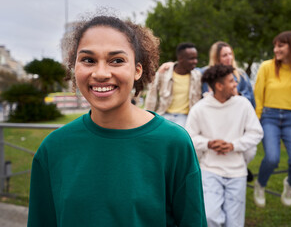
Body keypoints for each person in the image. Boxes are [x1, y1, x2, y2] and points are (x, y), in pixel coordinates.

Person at [27, 15, 207, 226]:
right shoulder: (53, 149)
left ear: (138, 70)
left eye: (117, 60)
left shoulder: (174, 143)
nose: (101, 73)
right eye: (88, 60)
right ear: (73, 67)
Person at [186, 65, 263, 227]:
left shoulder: (243, 104)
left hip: (237, 172)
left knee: (234, 223)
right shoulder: (200, 108)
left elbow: (256, 133)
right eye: (231, 81)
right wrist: (209, 144)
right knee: (210, 217)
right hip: (210, 169)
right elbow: (189, 138)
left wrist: (232, 146)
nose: (236, 83)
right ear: (219, 86)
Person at [253, 30, 291, 207]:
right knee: (271, 158)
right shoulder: (266, 67)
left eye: (281, 45)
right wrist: (256, 120)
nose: (276, 49)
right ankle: (260, 184)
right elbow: (258, 96)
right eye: (275, 46)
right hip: (269, 116)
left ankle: (290, 183)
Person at [157, 41, 255, 107]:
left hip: (234, 112)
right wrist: (172, 64)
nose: (229, 57)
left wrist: (236, 94)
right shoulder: (205, 73)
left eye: (230, 54)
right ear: (216, 58)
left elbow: (250, 100)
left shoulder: (240, 75)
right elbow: (187, 68)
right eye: (225, 55)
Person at [144, 42, 202, 127]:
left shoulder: (198, 76)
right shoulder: (163, 74)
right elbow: (152, 98)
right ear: (181, 58)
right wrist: (147, 118)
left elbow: (213, 69)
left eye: (196, 58)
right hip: (164, 115)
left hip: (186, 118)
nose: (195, 61)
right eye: (191, 58)